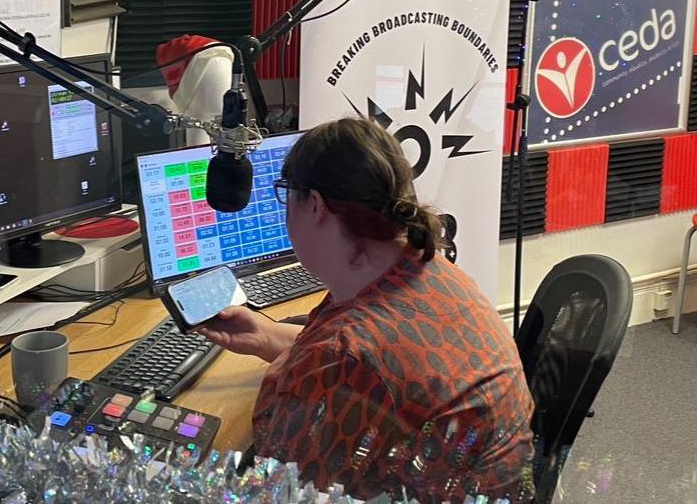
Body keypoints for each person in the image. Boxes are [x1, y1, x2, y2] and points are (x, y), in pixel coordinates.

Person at [199, 118, 535, 502]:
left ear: (315, 206)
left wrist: (286, 370)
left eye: (286, 193)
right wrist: (268, 336)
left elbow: (277, 486)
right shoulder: (427, 268)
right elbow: (377, 364)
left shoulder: (346, 355)